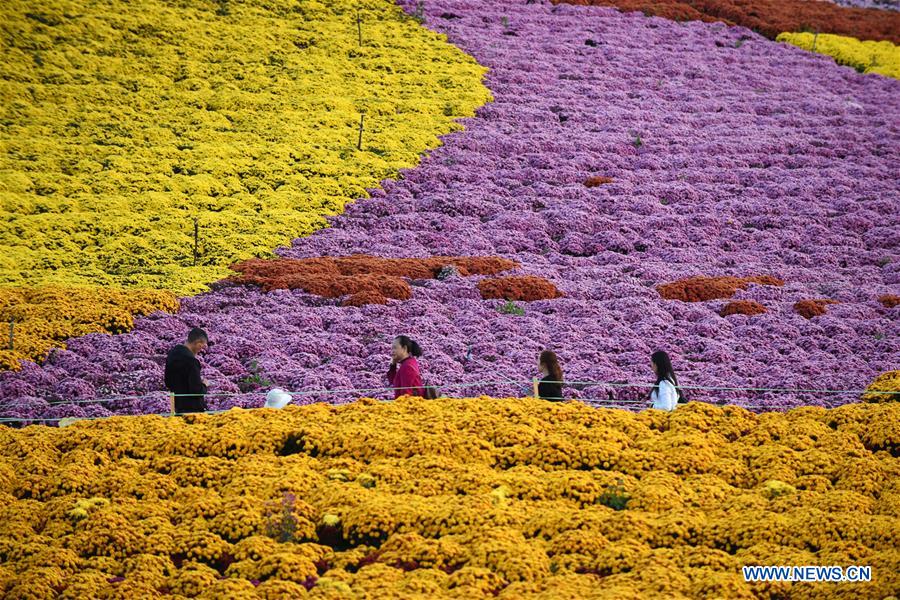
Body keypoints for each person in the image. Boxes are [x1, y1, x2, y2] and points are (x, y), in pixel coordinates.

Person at [164, 327, 209, 414]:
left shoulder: (172, 355)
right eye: (202, 346)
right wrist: (204, 385)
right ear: (198, 344)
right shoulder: (192, 362)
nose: (201, 349)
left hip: (176, 407)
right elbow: (196, 391)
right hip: (193, 410)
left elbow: (167, 382)